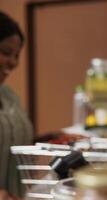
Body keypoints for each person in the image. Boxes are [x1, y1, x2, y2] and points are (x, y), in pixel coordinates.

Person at [0, 11, 34, 199]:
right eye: (6, 52)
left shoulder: (9, 96)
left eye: (16, 55)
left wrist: (53, 141)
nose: (13, 63)